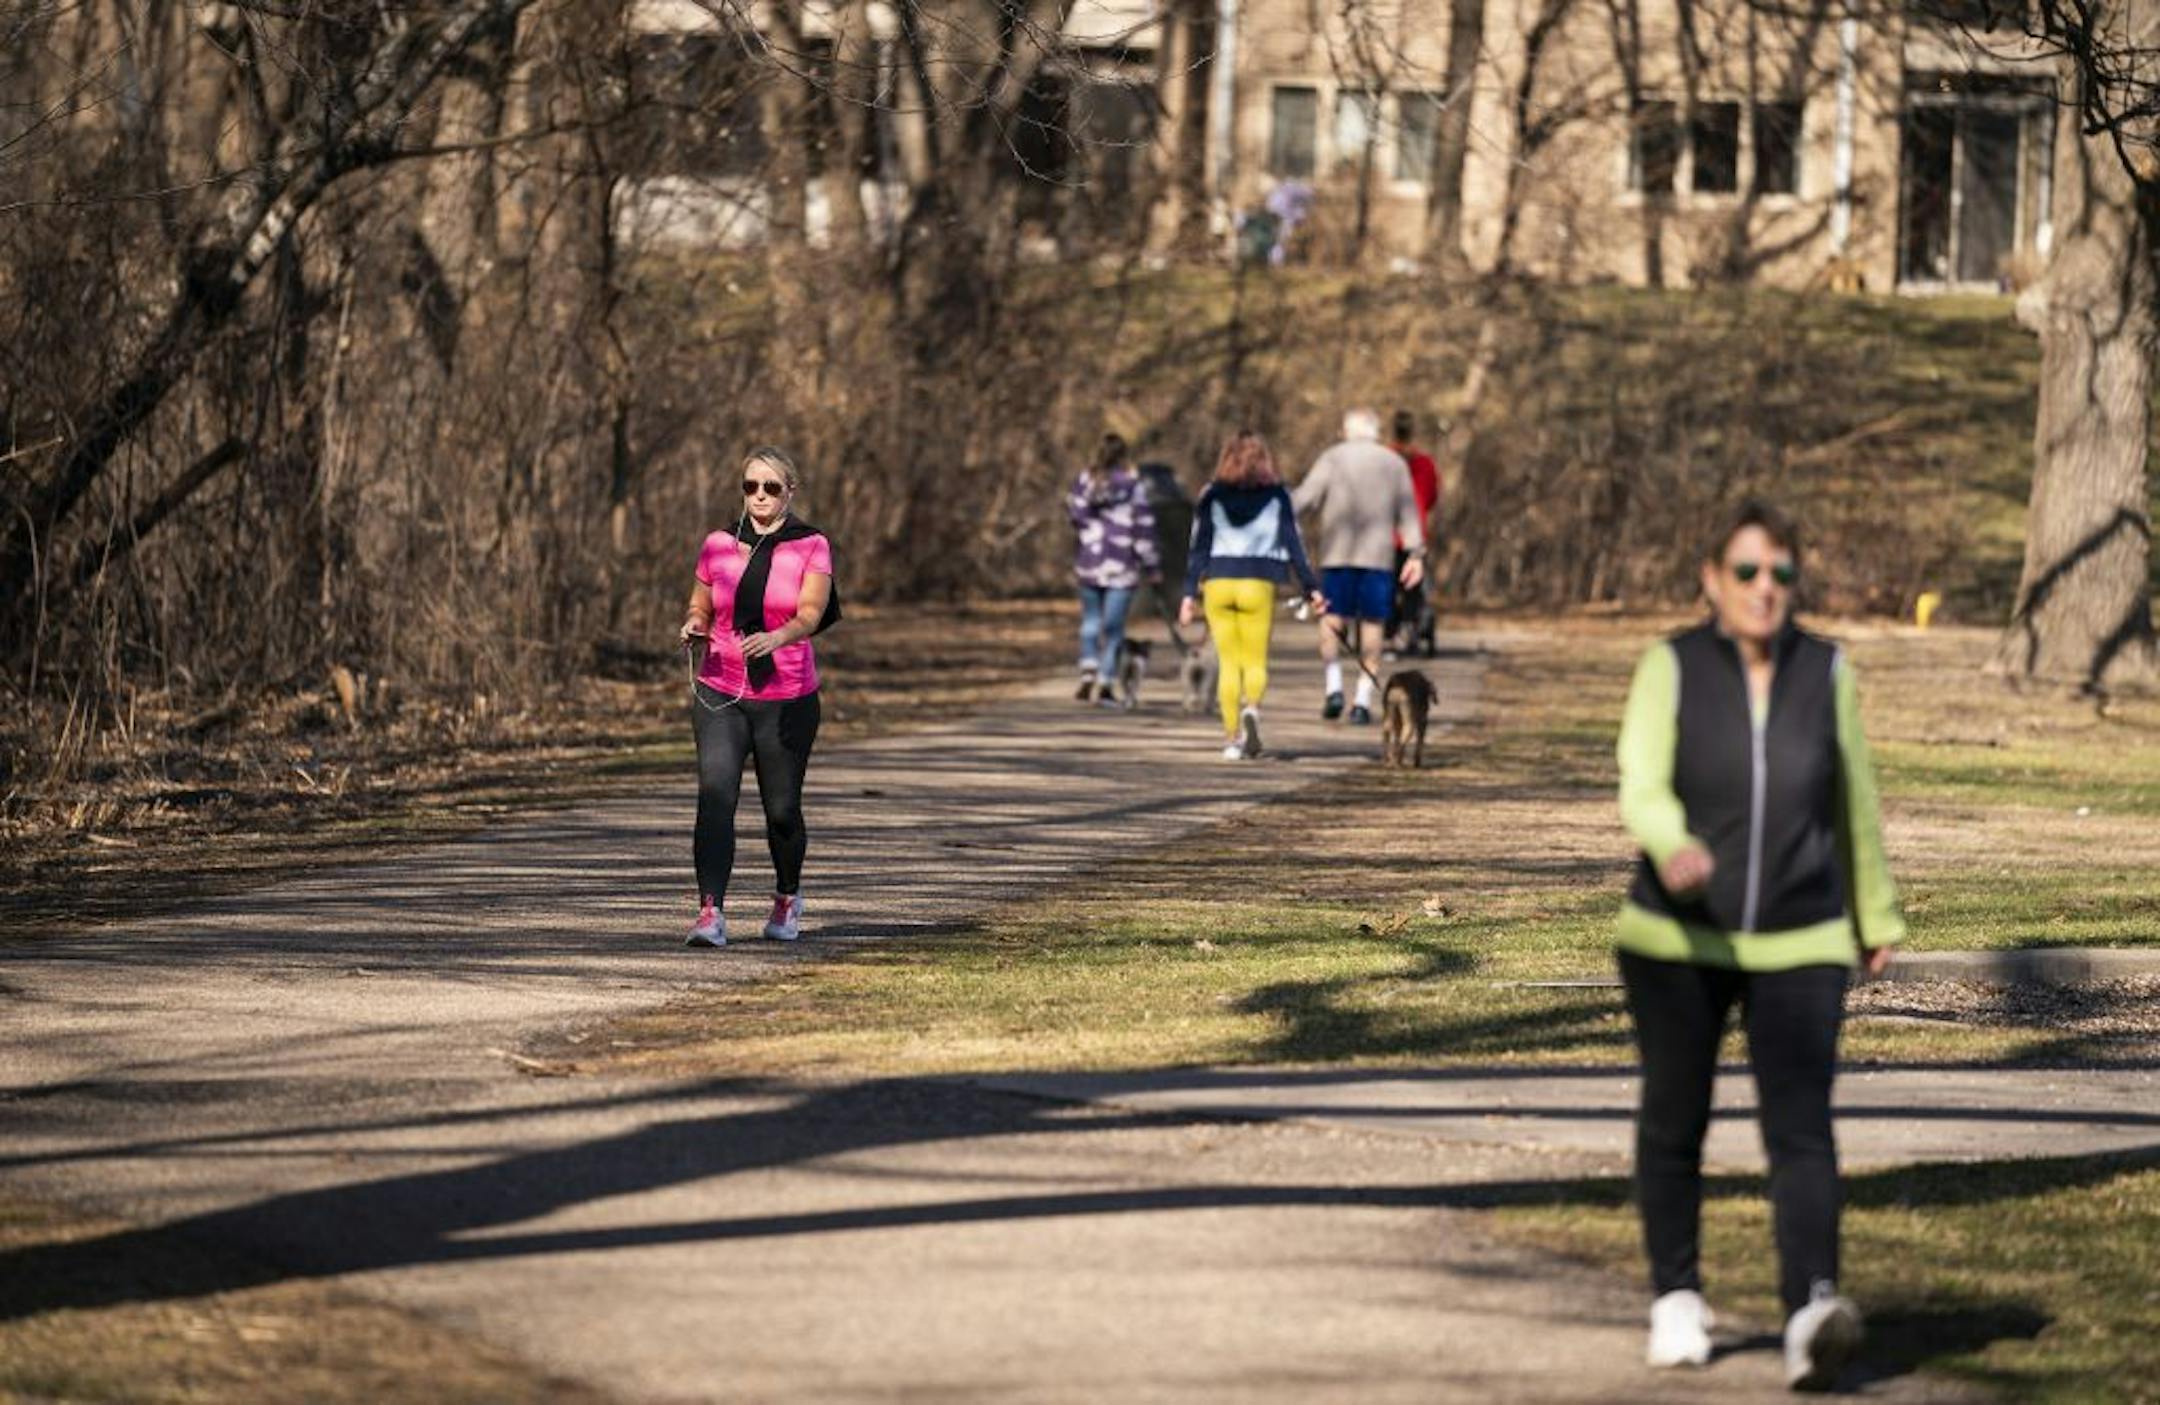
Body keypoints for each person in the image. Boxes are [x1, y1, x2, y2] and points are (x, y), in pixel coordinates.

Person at [1614, 500, 1903, 1392]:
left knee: (1802, 1127)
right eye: (1746, 572)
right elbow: (1640, 776)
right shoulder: (1671, 665)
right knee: (1676, 1114)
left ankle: (1811, 1310)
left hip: (1803, 934)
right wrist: (1671, 844)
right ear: (1711, 580)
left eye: (1780, 573)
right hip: (1677, 936)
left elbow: (1851, 797)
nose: (1765, 589)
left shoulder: (1827, 670)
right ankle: (1676, 1296)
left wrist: (1876, 913)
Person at [677, 447, 840, 948]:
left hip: (787, 696)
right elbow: (700, 602)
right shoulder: (719, 544)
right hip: (720, 691)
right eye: (751, 487)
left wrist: (780, 636)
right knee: (715, 797)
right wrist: (696, 625)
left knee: (782, 809)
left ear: (791, 489)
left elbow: (812, 612)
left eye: (771, 487)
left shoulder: (810, 545)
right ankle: (710, 912)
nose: (760, 497)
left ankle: (787, 897)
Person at [1179, 431, 1326, 760]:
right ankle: (1252, 710)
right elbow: (1294, 546)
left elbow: (1198, 547)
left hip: (1218, 583)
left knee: (1229, 663)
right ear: (1264, 461)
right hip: (1258, 583)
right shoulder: (1278, 496)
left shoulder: (1210, 494)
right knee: (1255, 659)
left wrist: (1189, 594)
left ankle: (1232, 740)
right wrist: (1312, 588)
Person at [1292, 407, 1424, 723]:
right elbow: (1409, 512)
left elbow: (1303, 500)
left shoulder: (1332, 458)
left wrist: (1276, 510)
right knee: (1373, 626)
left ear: (1346, 431)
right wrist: (1415, 554)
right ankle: (1362, 700)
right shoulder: (1394, 464)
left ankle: (1334, 686)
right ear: (1376, 431)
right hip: (1377, 558)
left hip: (1338, 555)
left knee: (1332, 620)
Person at [1067, 433, 1161, 705]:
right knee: (1114, 628)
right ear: (1123, 456)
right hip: (1122, 563)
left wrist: (1090, 536)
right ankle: (1105, 683)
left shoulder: (1084, 481)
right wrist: (1152, 564)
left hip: (1090, 562)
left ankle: (1088, 669)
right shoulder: (1132, 485)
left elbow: (1074, 515)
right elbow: (1144, 526)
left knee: (1091, 620)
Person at [1385, 409, 1442, 652]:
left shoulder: (1384, 459)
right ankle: (1408, 626)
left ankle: (1388, 627)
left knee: (1385, 583)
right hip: (1414, 535)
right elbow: (1431, 497)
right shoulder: (1425, 463)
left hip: (1384, 534)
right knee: (1412, 587)